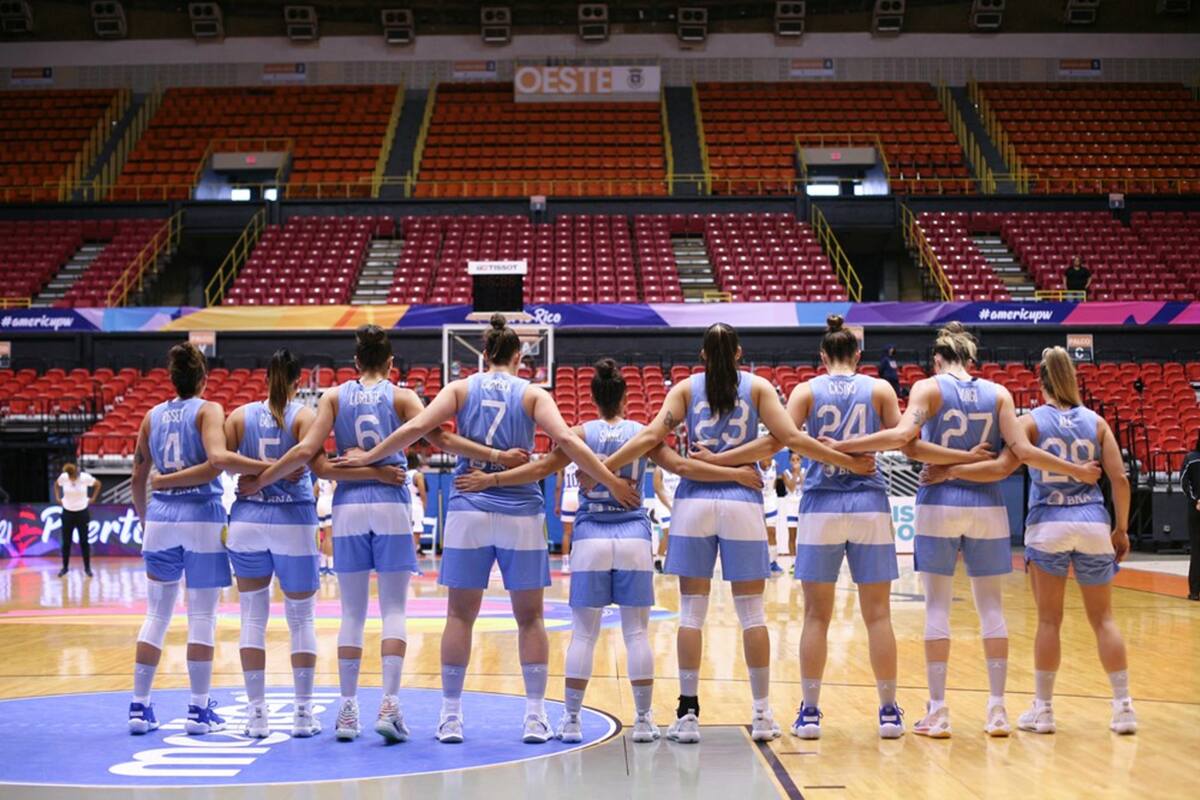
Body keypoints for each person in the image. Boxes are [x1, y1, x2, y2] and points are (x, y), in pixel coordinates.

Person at [326, 315, 639, 744]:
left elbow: (419, 429)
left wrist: (367, 458)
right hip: (520, 512)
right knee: (530, 619)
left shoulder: (459, 388)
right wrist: (611, 480)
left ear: (484, 354)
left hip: (468, 508)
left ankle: (451, 717)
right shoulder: (532, 393)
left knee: (459, 615)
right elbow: (566, 441)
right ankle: (533, 716)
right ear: (518, 356)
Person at [579, 322, 876, 744]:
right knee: (752, 614)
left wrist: (604, 471)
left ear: (702, 356)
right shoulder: (757, 387)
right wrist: (843, 461)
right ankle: (761, 714)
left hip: (695, 504)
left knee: (692, 615)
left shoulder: (684, 389)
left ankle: (687, 714)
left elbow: (648, 437)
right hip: (740, 502)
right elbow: (786, 439)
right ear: (739, 353)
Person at [237, 325, 526, 744]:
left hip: (349, 506)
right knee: (393, 610)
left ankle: (348, 709)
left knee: (351, 614)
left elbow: (311, 460)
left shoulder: (333, 397)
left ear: (355, 362)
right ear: (391, 363)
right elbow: (441, 438)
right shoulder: (404, 397)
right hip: (392, 503)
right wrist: (495, 456)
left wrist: (263, 480)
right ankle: (390, 703)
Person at [454, 358, 763, 744]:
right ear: (626, 396)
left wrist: (491, 478)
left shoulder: (579, 433)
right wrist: (730, 470)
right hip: (633, 534)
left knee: (583, 635)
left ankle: (570, 720)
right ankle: (645, 720)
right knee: (636, 634)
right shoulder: (642, 433)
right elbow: (683, 468)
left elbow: (538, 470)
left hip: (590, 536)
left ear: (593, 397)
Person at [832, 322, 1100, 738]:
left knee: (937, 607)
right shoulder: (999, 393)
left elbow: (906, 439)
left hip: (939, 501)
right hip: (987, 504)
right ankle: (996, 711)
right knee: (991, 608)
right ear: (971, 360)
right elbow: (1024, 452)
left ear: (937, 359)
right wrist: (1078, 470)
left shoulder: (927, 387)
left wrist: (845, 446)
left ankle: (937, 711)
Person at [695, 315, 942, 739]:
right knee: (878, 615)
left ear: (822, 355)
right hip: (868, 500)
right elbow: (902, 437)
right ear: (859, 355)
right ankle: (888, 712)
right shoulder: (880, 388)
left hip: (821, 503)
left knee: (816, 616)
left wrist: (831, 451)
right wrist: (853, 451)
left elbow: (786, 438)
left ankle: (809, 711)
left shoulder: (806, 390)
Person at [153, 349, 406, 739]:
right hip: (293, 521)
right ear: (298, 380)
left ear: (265, 376)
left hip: (247, 522)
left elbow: (221, 461)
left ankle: (257, 716)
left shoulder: (238, 416)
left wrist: (256, 477)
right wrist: (283, 473)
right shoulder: (305, 416)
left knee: (252, 619)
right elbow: (318, 464)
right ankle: (304, 715)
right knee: (301, 619)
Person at [923, 347, 1136, 735]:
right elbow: (1119, 479)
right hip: (1092, 522)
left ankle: (1045, 710)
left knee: (1049, 622)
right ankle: (1123, 707)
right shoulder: (1097, 422)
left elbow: (1003, 467)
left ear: (1040, 381)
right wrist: (1121, 528)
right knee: (1104, 620)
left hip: (1048, 524)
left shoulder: (1031, 421)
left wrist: (951, 471)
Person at [127, 343, 233, 736]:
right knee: (202, 616)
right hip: (201, 517)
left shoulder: (151, 417)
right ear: (203, 379)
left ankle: (139, 706)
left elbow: (138, 477)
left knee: (156, 615)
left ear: (172, 380)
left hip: (160, 517)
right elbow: (214, 465)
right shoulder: (209, 410)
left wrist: (144, 518)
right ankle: (198, 710)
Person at [55, 463, 100, 577]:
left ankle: (87, 568)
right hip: (67, 512)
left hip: (82, 512)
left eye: (72, 475)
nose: (70, 478)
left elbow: (98, 484)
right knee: (66, 542)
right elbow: (56, 484)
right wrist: (57, 497)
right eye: (69, 476)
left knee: (84, 542)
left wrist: (93, 498)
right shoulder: (64, 477)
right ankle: (65, 568)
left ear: (75, 472)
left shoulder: (84, 477)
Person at [652, 460, 681, 573]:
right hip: (662, 505)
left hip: (676, 503)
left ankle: (672, 561)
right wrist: (670, 507)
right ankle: (658, 560)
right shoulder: (659, 470)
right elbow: (659, 491)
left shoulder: (678, 469)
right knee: (667, 532)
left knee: (677, 535)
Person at [759, 454, 783, 575]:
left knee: (772, 532)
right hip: (758, 498)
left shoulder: (775, 464)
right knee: (758, 533)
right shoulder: (754, 464)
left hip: (771, 499)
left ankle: (773, 562)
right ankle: (759, 562)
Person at [555, 461, 580, 572]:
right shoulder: (582, 457)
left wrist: (557, 504)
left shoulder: (562, 462)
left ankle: (565, 565)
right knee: (581, 531)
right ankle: (580, 562)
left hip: (568, 496)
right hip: (579, 494)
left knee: (567, 533)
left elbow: (558, 486)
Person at [1184, 434, 1200, 601]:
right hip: (1196, 510)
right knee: (1197, 550)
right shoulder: (1191, 458)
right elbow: (1184, 482)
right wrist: (1195, 499)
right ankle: (1195, 590)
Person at [780, 451, 802, 559]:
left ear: (801, 461)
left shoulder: (804, 471)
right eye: (793, 460)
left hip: (802, 506)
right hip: (791, 507)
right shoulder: (785, 473)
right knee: (792, 535)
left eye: (797, 459)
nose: (795, 462)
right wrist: (795, 474)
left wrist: (800, 474)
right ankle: (794, 563)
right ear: (789, 461)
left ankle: (803, 561)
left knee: (804, 537)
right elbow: (791, 488)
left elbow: (805, 487)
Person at [407, 453, 428, 557]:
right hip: (415, 504)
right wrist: (424, 505)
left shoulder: (404, 473)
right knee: (417, 531)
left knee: (407, 532)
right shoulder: (418, 475)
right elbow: (423, 492)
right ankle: (413, 558)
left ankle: (408, 557)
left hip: (405, 503)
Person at [316, 476, 335, 575]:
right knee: (329, 537)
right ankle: (331, 566)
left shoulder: (320, 473)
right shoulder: (331, 473)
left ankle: (323, 565)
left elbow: (314, 491)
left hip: (320, 502)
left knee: (323, 537)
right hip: (328, 502)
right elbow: (335, 490)